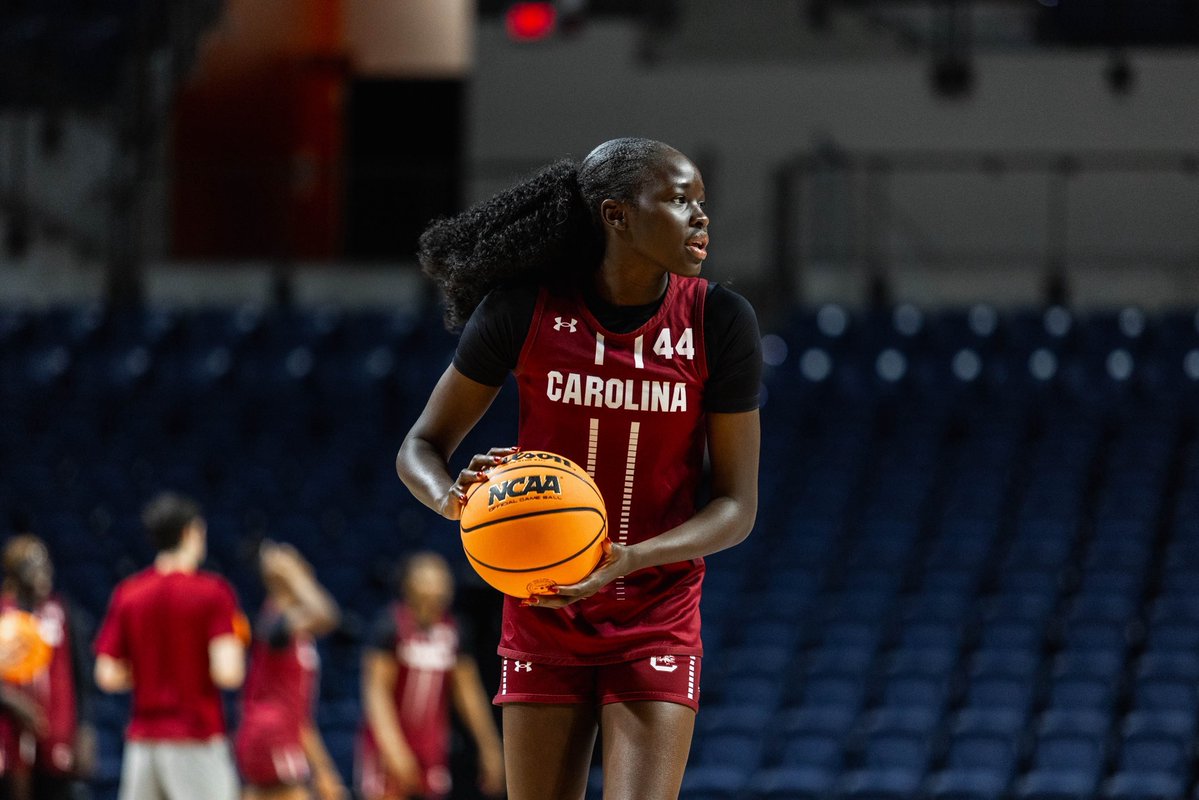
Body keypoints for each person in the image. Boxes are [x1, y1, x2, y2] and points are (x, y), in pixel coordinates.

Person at [396, 137, 761, 799]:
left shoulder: (718, 321)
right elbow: (419, 447)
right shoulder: (523, 309)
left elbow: (737, 508)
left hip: (655, 612)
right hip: (541, 604)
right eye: (680, 200)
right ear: (617, 215)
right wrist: (456, 499)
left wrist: (631, 558)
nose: (701, 216)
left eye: (701, 202)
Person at [94, 492, 246, 800]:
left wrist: (150, 673)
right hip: (196, 737)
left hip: (143, 744)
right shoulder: (213, 593)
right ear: (189, 532)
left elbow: (106, 674)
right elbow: (228, 673)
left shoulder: (129, 593)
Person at [357, 552, 504, 800]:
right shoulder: (390, 626)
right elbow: (376, 694)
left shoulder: (454, 631)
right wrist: (394, 749)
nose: (436, 586)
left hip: (432, 746)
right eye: (427, 578)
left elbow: (469, 694)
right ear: (409, 585)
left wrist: (489, 747)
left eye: (441, 578)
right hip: (389, 744)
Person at [235, 540, 347, 800]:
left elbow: (300, 713)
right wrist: (291, 574)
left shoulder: (296, 628)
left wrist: (324, 769)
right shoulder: (278, 621)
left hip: (282, 732)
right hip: (269, 734)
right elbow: (327, 615)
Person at [0, 534, 94, 800]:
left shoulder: (61, 611)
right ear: (14, 572)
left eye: (45, 564)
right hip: (10, 733)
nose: (43, 572)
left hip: (55, 730)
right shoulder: (3, 613)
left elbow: (81, 675)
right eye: (32, 565)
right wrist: (11, 701)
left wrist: (85, 729)